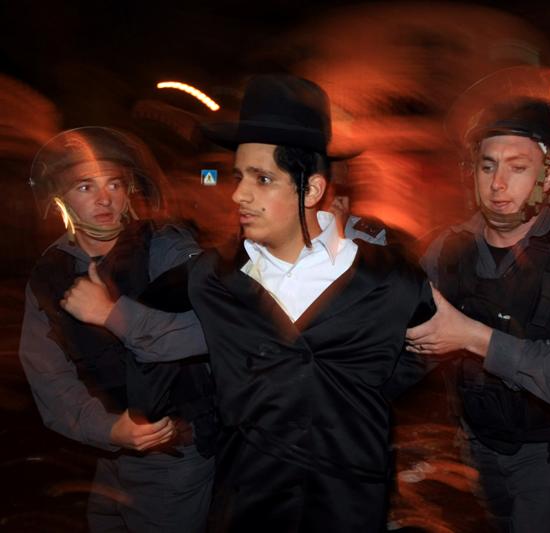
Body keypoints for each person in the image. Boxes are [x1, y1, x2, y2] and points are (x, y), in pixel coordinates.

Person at [63, 75, 436, 532]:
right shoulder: (212, 277)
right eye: (239, 177)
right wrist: (112, 316)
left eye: (262, 179)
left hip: (350, 508)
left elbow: (426, 347)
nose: (238, 194)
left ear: (312, 190)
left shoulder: (389, 277)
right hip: (250, 506)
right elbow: (156, 332)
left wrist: (355, 392)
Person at [405, 80, 550, 531]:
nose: (498, 184)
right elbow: (409, 345)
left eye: (518, 167)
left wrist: (473, 337)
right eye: (487, 166)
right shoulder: (449, 249)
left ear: (548, 176)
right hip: (479, 453)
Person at [19, 127, 216, 532]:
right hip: (107, 455)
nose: (104, 198)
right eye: (85, 187)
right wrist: (110, 430)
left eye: (114, 184)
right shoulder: (51, 272)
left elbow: (214, 332)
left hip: (174, 456)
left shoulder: (168, 251)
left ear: (128, 191)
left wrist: (113, 315)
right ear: (60, 198)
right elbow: (48, 376)